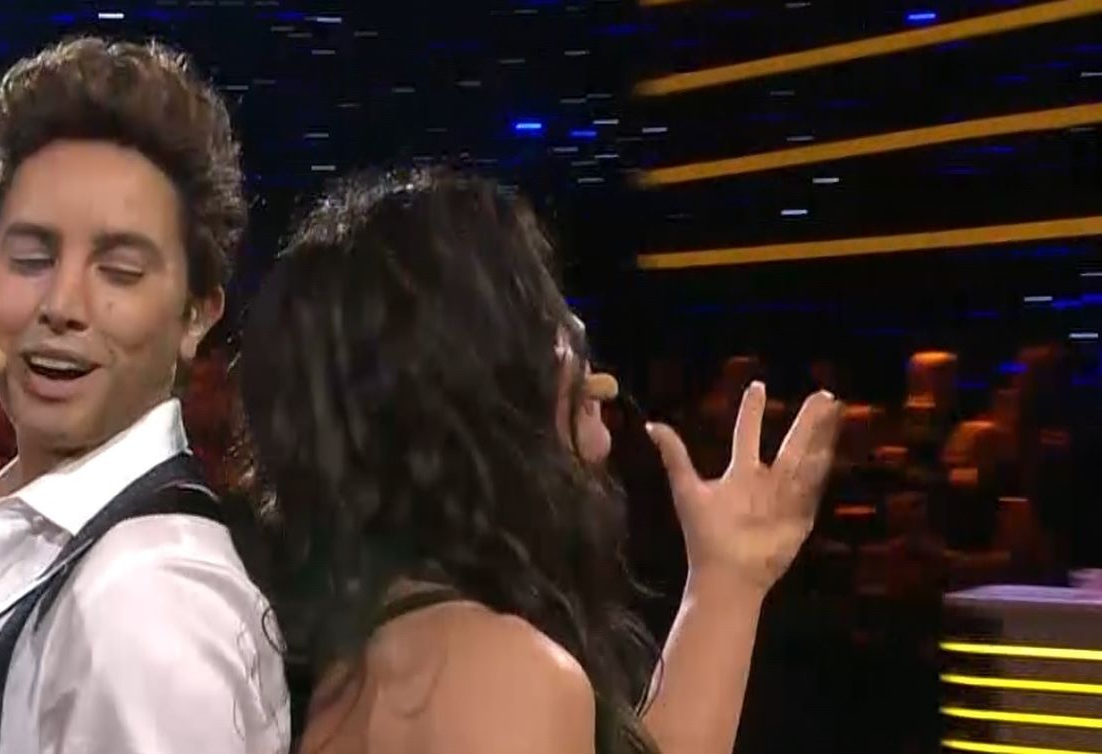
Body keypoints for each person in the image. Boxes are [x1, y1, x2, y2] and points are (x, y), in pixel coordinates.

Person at [236, 168, 841, 753]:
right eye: (532, 309)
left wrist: (726, 580)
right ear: (467, 379)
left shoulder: (376, 660)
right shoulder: (497, 678)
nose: (573, 326)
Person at [0, 37, 288, 753]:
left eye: (120, 271)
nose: (61, 304)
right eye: (31, 258)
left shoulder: (146, 604)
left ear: (196, 315)